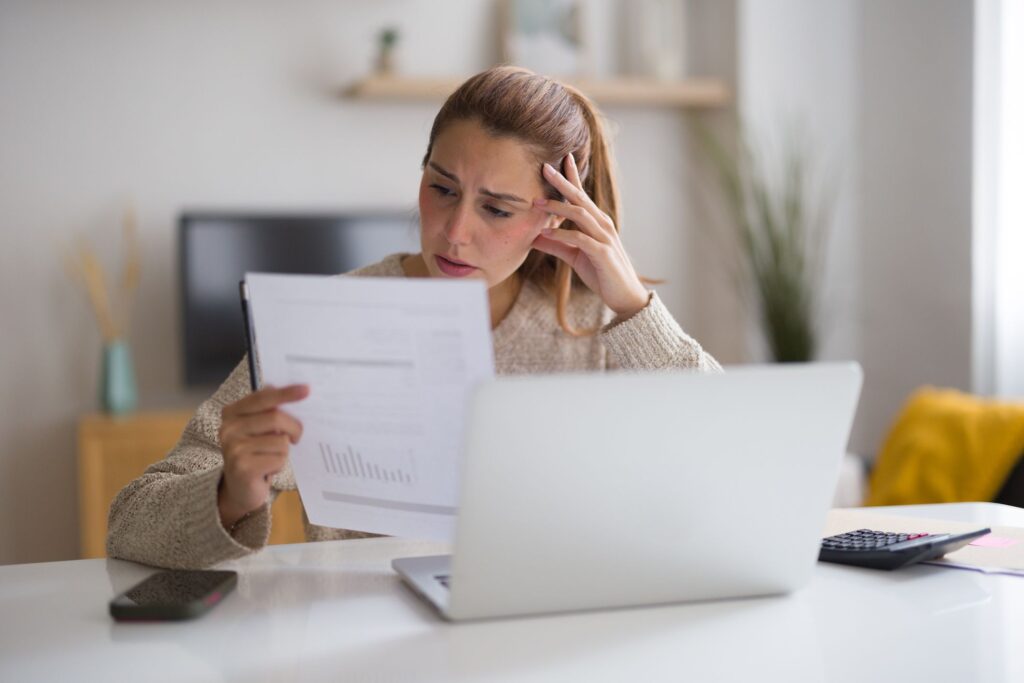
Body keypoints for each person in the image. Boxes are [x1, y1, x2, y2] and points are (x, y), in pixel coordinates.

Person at [107, 66, 721, 569]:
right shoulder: (330, 321)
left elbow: (728, 463)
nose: (455, 232)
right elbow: (130, 521)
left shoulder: (602, 330)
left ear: (557, 214)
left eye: (497, 209)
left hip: (553, 632)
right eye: (443, 188)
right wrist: (231, 493)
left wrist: (633, 307)